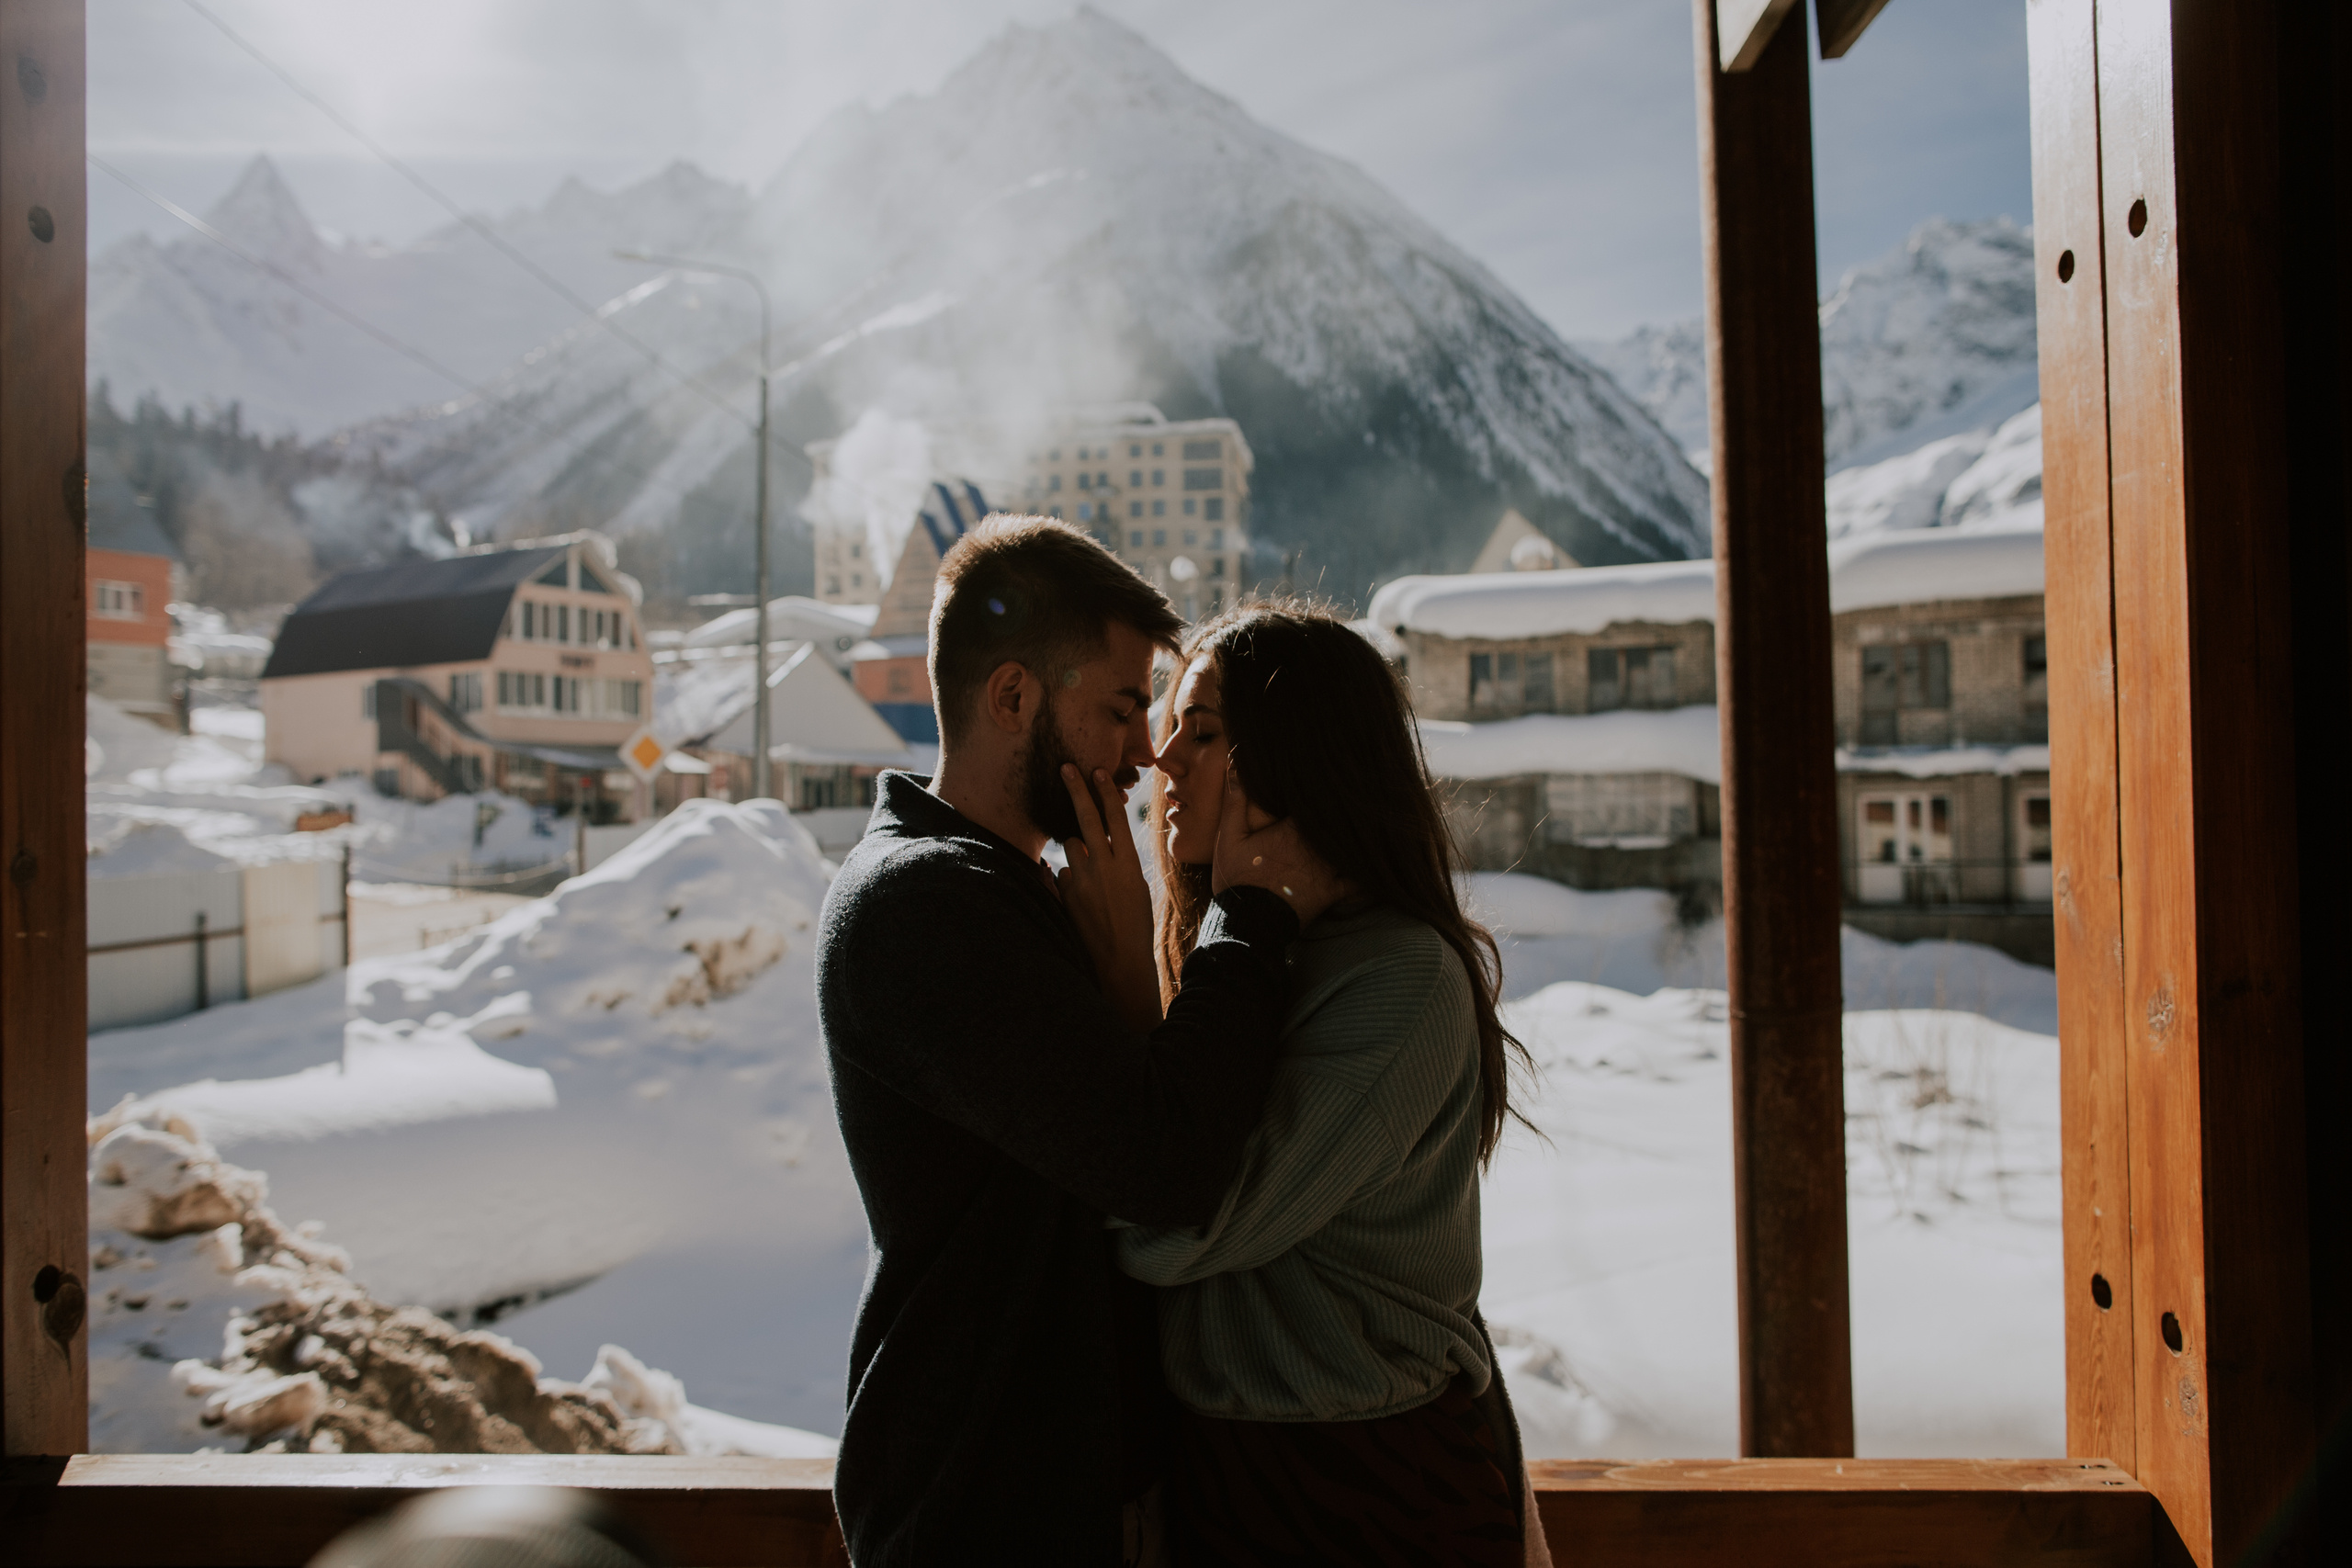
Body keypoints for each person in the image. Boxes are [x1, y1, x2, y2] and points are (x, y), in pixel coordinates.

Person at [817, 518, 1342, 1566]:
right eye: (1121, 707)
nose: (1146, 752)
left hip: (1051, 1496)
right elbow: (1164, 1164)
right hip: (984, 1511)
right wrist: (1249, 913)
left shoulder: (1012, 892)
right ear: (1014, 697)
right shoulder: (926, 905)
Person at [1096, 602, 1547, 1567]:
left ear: (1298, 760)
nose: (1164, 761)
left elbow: (1168, 1226)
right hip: (1236, 1471)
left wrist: (1150, 966)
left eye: (1202, 732)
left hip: (1372, 1484)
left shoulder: (1398, 979)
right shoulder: (1254, 955)